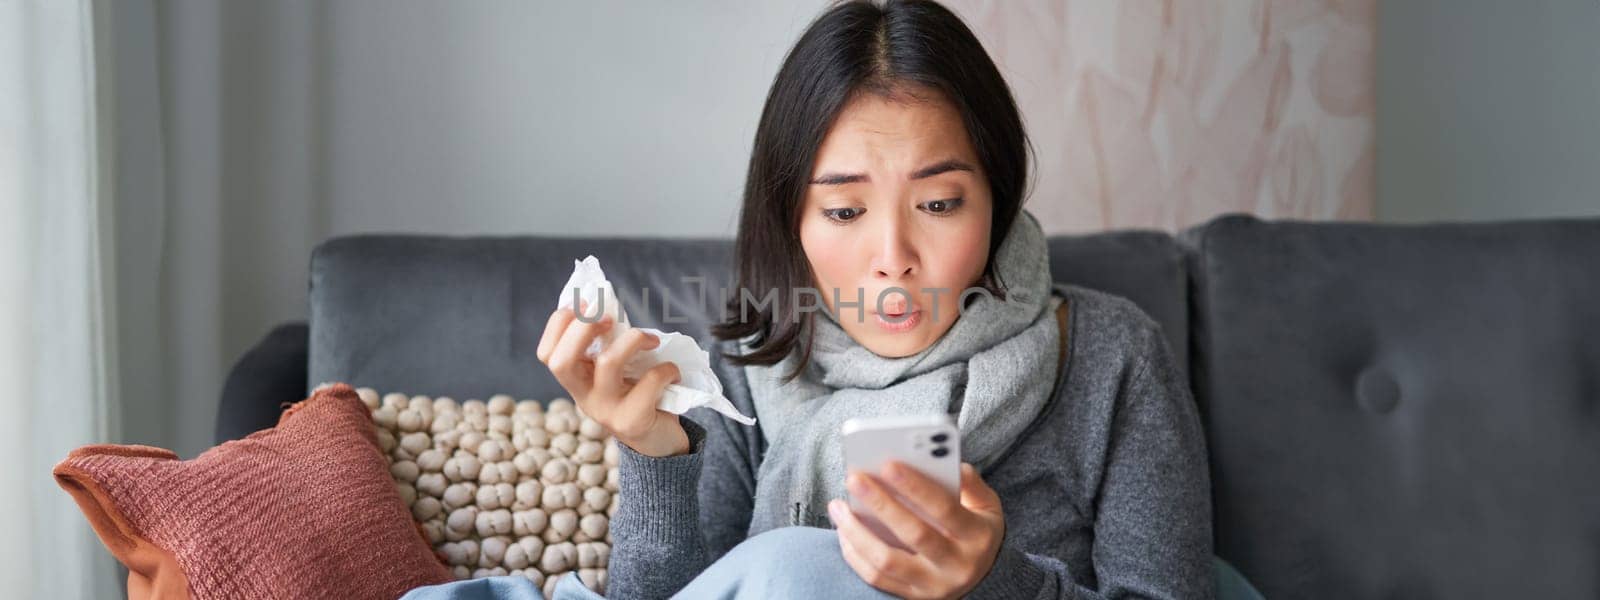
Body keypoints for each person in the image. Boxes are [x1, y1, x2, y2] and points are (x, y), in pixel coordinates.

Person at [410, 1, 1248, 598]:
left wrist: (998, 585)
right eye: (845, 211)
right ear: (793, 219)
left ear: (997, 197)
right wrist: (653, 450)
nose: (893, 259)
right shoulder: (750, 364)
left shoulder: (1110, 356)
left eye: (941, 203)